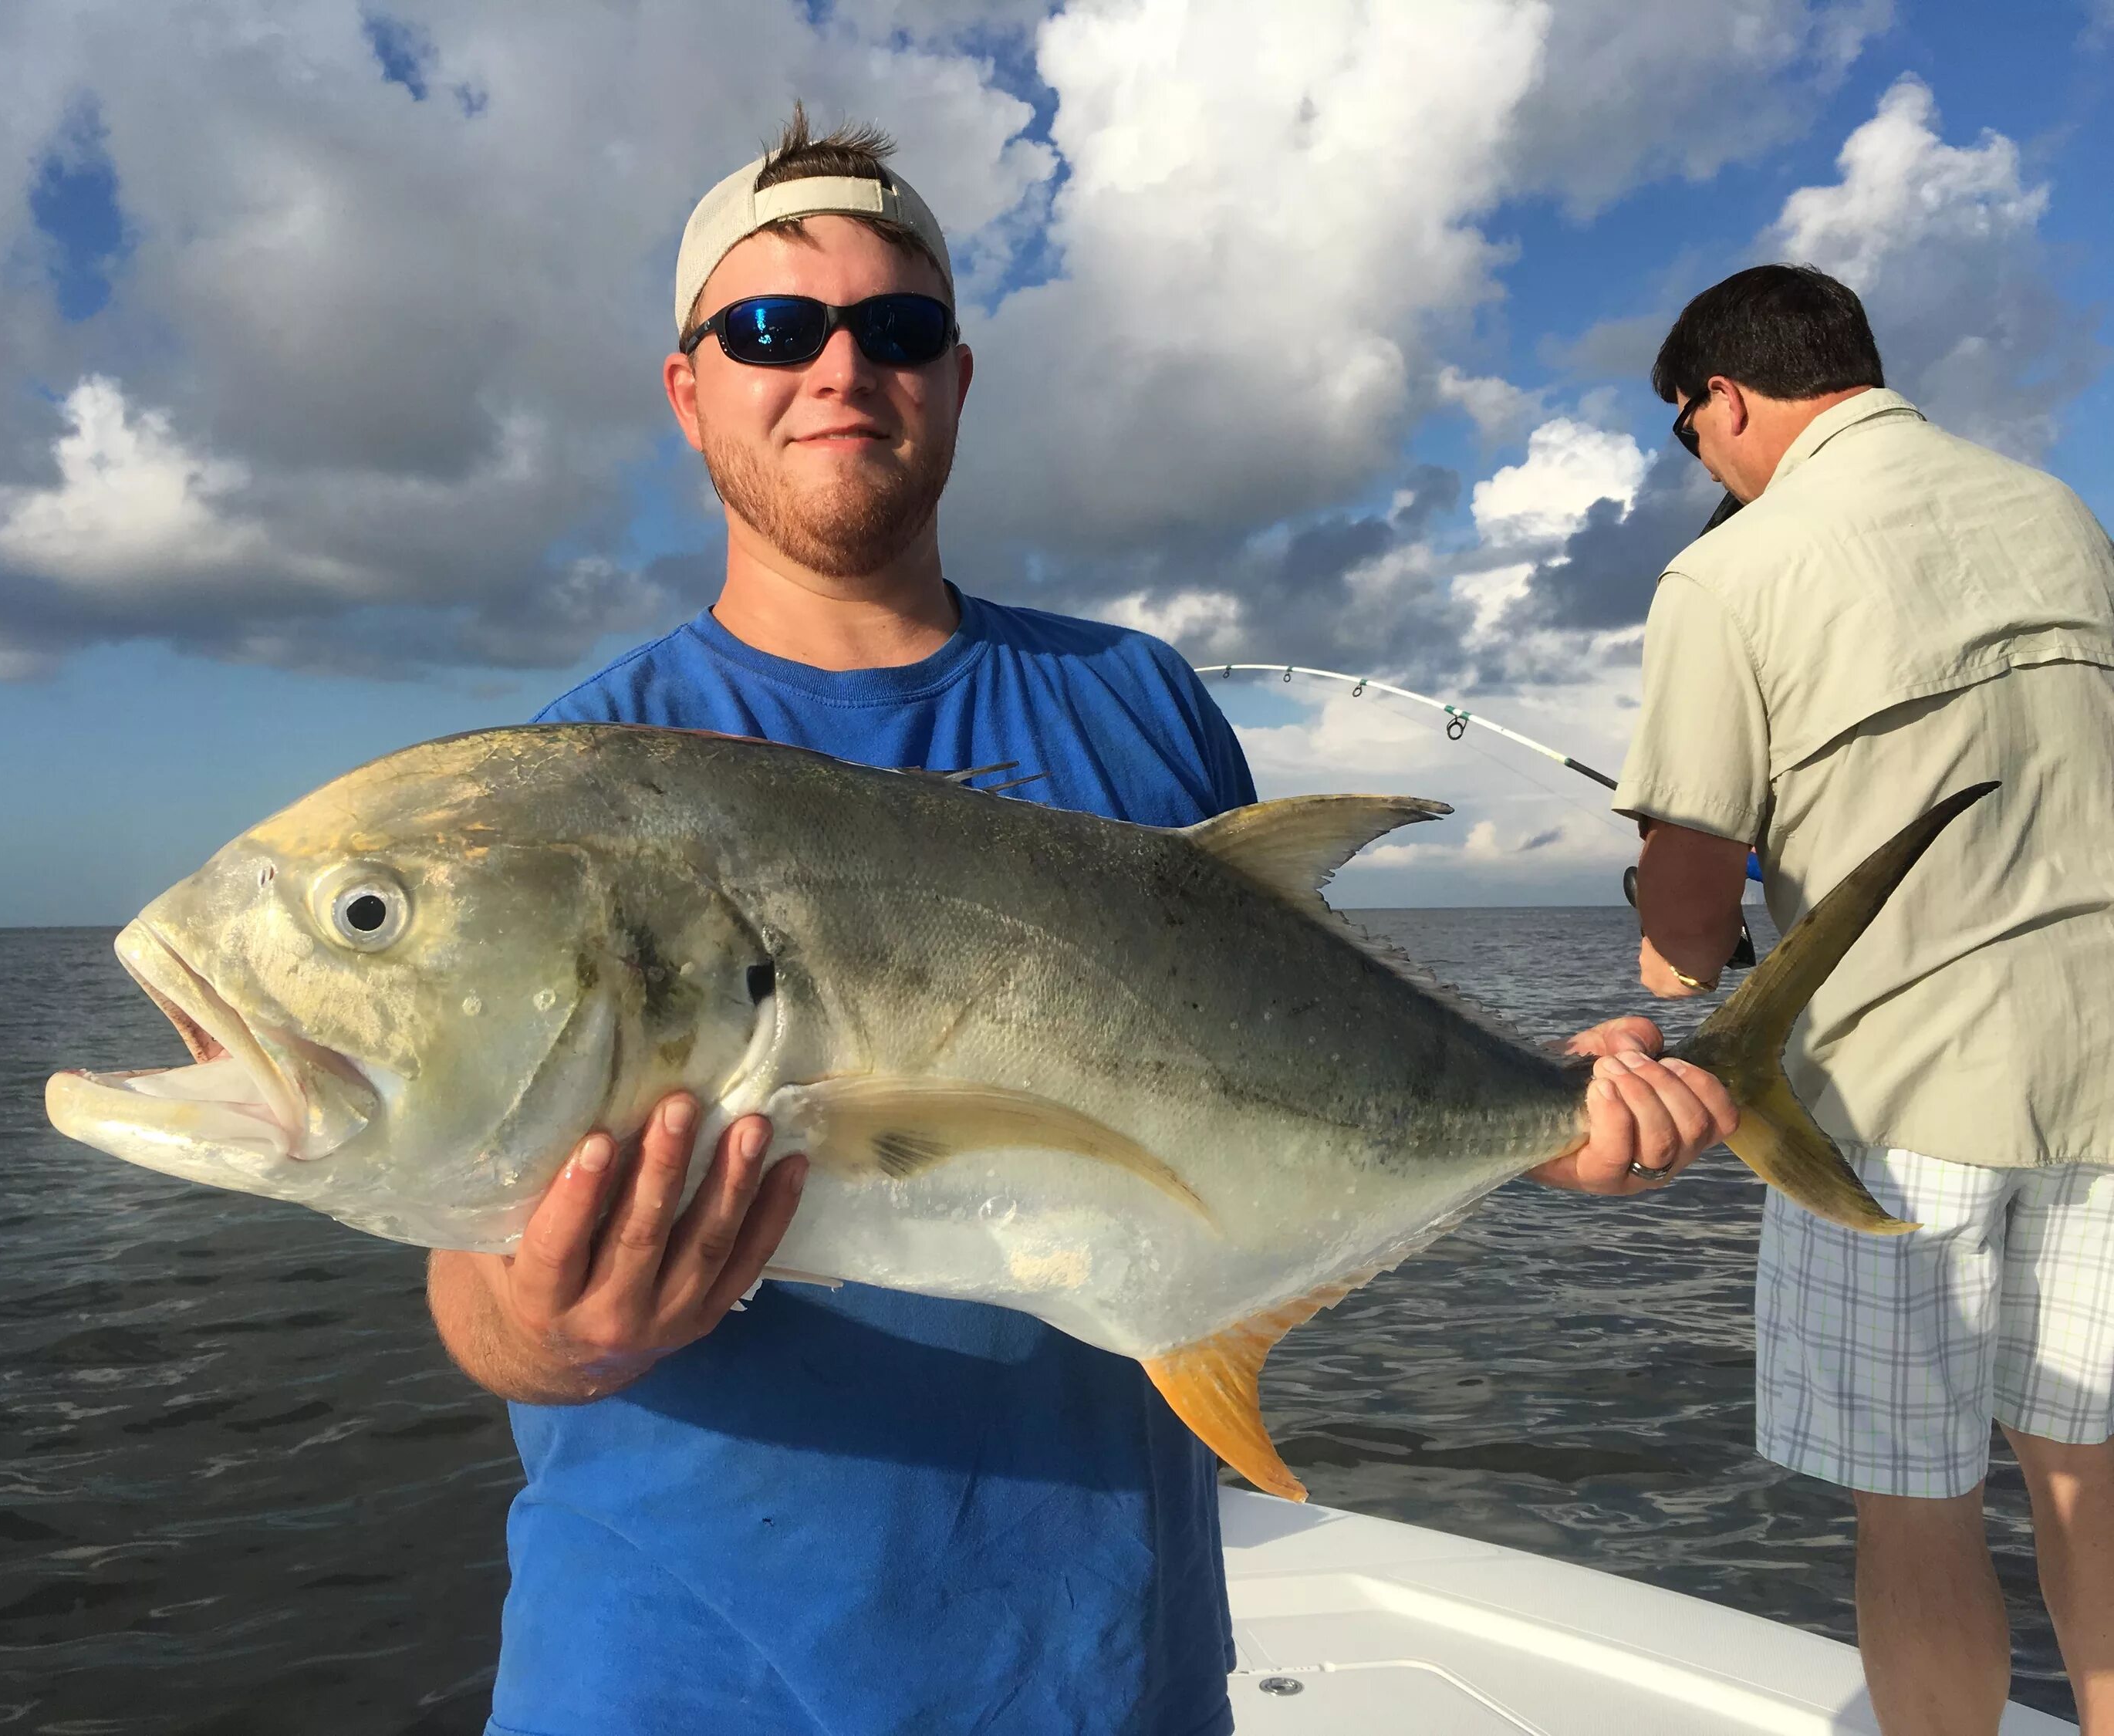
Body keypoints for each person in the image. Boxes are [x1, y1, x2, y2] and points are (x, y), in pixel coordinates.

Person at [430, 108, 1737, 1736]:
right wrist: (553, 1327)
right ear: (690, 387)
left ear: (956, 381)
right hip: (677, 1685)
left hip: (1104, 1676)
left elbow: (1281, 1079)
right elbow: (476, 1286)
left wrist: (1543, 1123)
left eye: (895, 329)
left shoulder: (1137, 704)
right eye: (772, 328)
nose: (839, 369)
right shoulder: (583, 791)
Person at [1619, 263, 2114, 1734]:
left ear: (1725, 399)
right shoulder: (2063, 518)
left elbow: (1690, 930)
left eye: (1686, 431)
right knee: (2091, 1486)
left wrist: (1663, 943)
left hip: (1894, 1119)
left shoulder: (1730, 570)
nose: (1701, 461)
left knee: (1919, 1511)